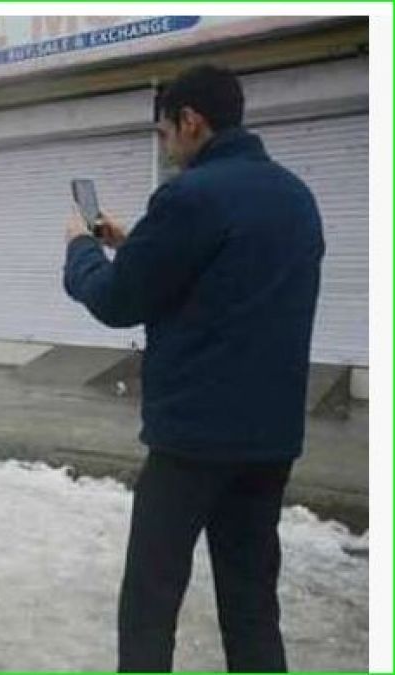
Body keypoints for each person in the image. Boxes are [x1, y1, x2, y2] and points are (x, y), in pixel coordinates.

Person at [62, 65, 324, 672]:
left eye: (164, 133)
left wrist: (80, 247)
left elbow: (117, 300)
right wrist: (135, 245)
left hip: (192, 444)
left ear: (191, 121)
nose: (166, 147)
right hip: (270, 440)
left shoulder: (190, 195)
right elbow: (226, 278)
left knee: (151, 601)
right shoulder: (294, 194)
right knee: (252, 601)